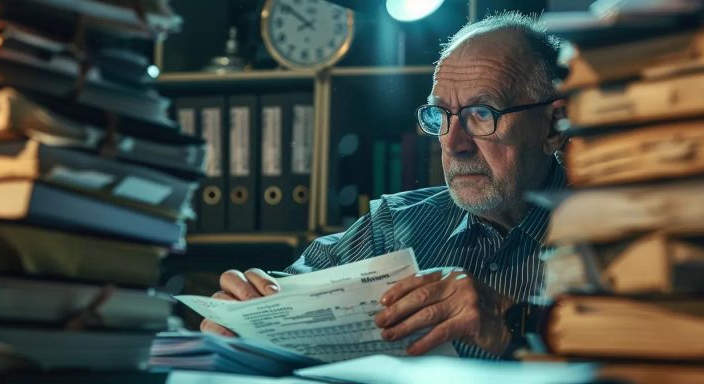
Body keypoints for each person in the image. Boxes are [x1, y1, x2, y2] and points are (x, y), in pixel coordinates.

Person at [201, 12, 569, 359]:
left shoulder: (617, 243)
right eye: (440, 115)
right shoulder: (393, 226)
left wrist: (513, 321)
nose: (454, 143)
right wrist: (246, 314)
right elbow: (288, 298)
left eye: (483, 113)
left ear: (553, 126)